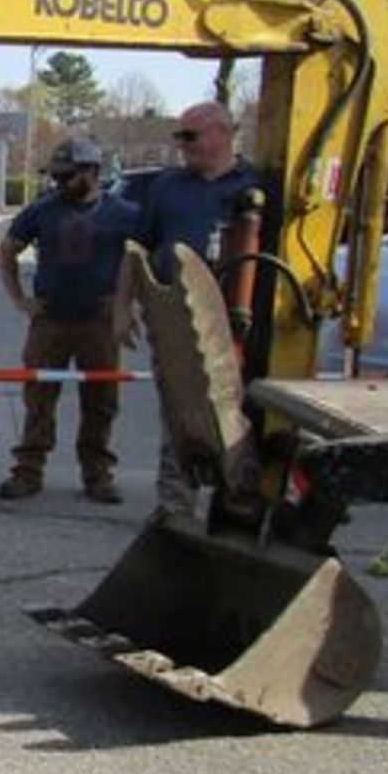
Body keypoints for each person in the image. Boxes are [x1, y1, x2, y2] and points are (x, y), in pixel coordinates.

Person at [114, 99, 262, 519]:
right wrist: (121, 307)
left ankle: (236, 507)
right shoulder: (167, 186)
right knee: (179, 414)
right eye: (179, 136)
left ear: (222, 133)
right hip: (176, 319)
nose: (182, 145)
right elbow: (136, 248)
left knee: (234, 417)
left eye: (189, 136)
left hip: (235, 324)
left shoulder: (254, 188)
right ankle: (175, 508)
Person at [0, 138, 140, 504]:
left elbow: (138, 262)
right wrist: (19, 299)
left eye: (67, 175)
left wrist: (125, 308)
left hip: (100, 322)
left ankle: (97, 474)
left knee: (101, 400)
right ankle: (28, 471)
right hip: (50, 320)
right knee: (38, 397)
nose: (59, 182)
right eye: (56, 176)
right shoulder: (41, 211)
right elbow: (6, 250)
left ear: (92, 172)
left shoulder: (124, 214)